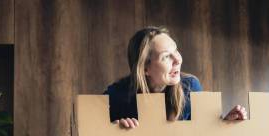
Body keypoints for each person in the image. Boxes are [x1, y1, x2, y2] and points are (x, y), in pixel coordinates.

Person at [105, 26, 247, 128]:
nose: (178, 59)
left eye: (176, 50)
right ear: (144, 69)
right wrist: (112, 130)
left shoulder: (189, 87)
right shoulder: (116, 95)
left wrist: (226, 123)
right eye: (166, 56)